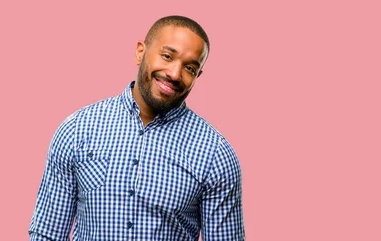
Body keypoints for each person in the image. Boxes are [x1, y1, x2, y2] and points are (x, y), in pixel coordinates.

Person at [28, 15, 245, 241]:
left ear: (197, 76)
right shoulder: (77, 130)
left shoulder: (216, 154)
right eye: (167, 56)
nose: (174, 73)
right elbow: (47, 233)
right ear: (140, 52)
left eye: (189, 68)